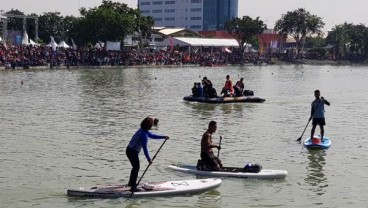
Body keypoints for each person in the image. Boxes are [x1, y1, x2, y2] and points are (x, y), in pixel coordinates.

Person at [126, 117, 169, 192]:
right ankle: (133, 187)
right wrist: (149, 159)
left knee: (135, 167)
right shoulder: (143, 135)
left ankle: (131, 183)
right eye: (151, 125)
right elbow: (145, 148)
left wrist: (163, 137)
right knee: (136, 168)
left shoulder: (143, 130)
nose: (152, 126)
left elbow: (152, 135)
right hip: (132, 152)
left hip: (129, 150)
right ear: (149, 125)